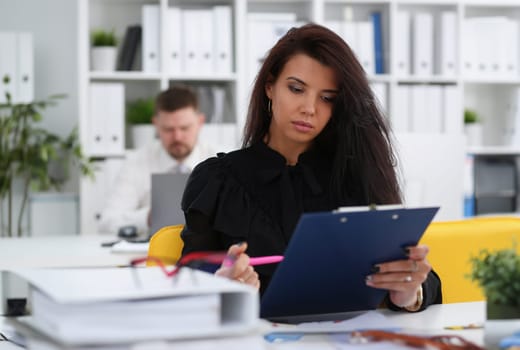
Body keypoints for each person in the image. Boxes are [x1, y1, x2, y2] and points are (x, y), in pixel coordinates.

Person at [180, 24, 441, 312]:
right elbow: (189, 282)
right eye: (296, 89)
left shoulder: (356, 175)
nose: (309, 108)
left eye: (327, 98)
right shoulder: (217, 179)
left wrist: (409, 293)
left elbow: (415, 271)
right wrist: (223, 286)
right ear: (270, 87)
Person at [99, 86, 216, 235]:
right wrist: (148, 217)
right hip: (152, 253)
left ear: (200, 122)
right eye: (168, 129)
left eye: (185, 128)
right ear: (156, 125)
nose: (177, 137)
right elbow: (107, 222)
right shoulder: (136, 162)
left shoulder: (219, 161)